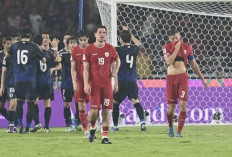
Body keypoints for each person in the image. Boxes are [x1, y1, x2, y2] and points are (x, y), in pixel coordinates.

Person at [163, 28, 207, 137]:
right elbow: (169, 62)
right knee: (170, 109)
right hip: (171, 79)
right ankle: (170, 128)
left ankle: (179, 132)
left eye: (176, 38)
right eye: (172, 39)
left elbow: (194, 64)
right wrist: (176, 48)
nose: (174, 40)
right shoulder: (166, 47)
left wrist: (202, 78)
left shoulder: (187, 47)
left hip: (182, 78)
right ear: (169, 38)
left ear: (180, 37)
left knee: (183, 106)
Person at [83, 25, 120, 144]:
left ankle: (104, 137)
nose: (102, 34)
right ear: (95, 34)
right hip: (93, 85)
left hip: (107, 85)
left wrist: (115, 79)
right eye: (100, 32)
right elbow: (86, 69)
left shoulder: (110, 49)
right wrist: (85, 84)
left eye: (104, 32)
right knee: (93, 112)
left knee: (106, 111)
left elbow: (116, 62)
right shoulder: (89, 50)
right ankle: (93, 126)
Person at [8, 28, 46, 133]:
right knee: (30, 104)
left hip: (18, 79)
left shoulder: (15, 46)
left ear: (20, 36)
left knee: (19, 103)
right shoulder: (34, 46)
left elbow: (7, 55)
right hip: (30, 79)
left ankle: (20, 124)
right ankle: (28, 128)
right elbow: (43, 59)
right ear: (30, 37)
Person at [112, 26, 146, 132]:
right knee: (136, 101)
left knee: (115, 102)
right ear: (129, 38)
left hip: (121, 80)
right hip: (132, 80)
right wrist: (130, 35)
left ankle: (116, 126)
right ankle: (142, 122)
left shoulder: (117, 49)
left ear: (120, 39)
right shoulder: (134, 49)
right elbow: (140, 44)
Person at [31, 34, 61, 133]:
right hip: (39, 82)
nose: (45, 40)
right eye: (43, 38)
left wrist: (53, 68)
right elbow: (58, 60)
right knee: (37, 103)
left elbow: (59, 64)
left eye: (47, 38)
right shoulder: (47, 53)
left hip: (44, 82)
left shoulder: (36, 52)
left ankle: (44, 126)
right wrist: (55, 48)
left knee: (43, 104)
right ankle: (40, 125)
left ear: (49, 40)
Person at [54, 36, 77, 131]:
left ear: (76, 44)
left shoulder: (80, 55)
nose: (72, 44)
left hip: (77, 84)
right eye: (70, 43)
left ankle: (78, 122)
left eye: (74, 42)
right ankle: (68, 124)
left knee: (79, 104)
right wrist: (55, 48)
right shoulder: (65, 55)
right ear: (68, 44)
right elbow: (57, 60)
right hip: (66, 84)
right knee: (67, 104)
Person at [71, 30, 89, 138]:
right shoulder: (75, 51)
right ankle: (86, 131)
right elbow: (73, 69)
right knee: (81, 106)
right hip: (80, 83)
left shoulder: (92, 49)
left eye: (84, 40)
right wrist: (74, 82)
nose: (82, 42)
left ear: (88, 39)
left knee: (95, 107)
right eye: (81, 40)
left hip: (91, 82)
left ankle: (94, 126)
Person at [0, 37, 11, 122]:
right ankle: (11, 119)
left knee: (11, 104)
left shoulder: (13, 55)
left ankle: (13, 124)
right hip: (1, 84)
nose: (9, 45)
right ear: (3, 44)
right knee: (1, 107)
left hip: (11, 82)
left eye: (10, 44)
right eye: (7, 43)